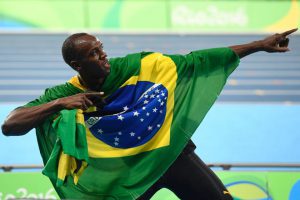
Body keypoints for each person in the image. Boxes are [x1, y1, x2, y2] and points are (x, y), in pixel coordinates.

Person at [1, 28, 297, 200]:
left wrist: (259, 45)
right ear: (77, 65)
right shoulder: (64, 93)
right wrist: (60, 105)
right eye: (93, 53)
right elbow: (11, 124)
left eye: (101, 48)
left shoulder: (135, 66)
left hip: (171, 156)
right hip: (128, 171)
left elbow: (197, 61)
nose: (103, 55)